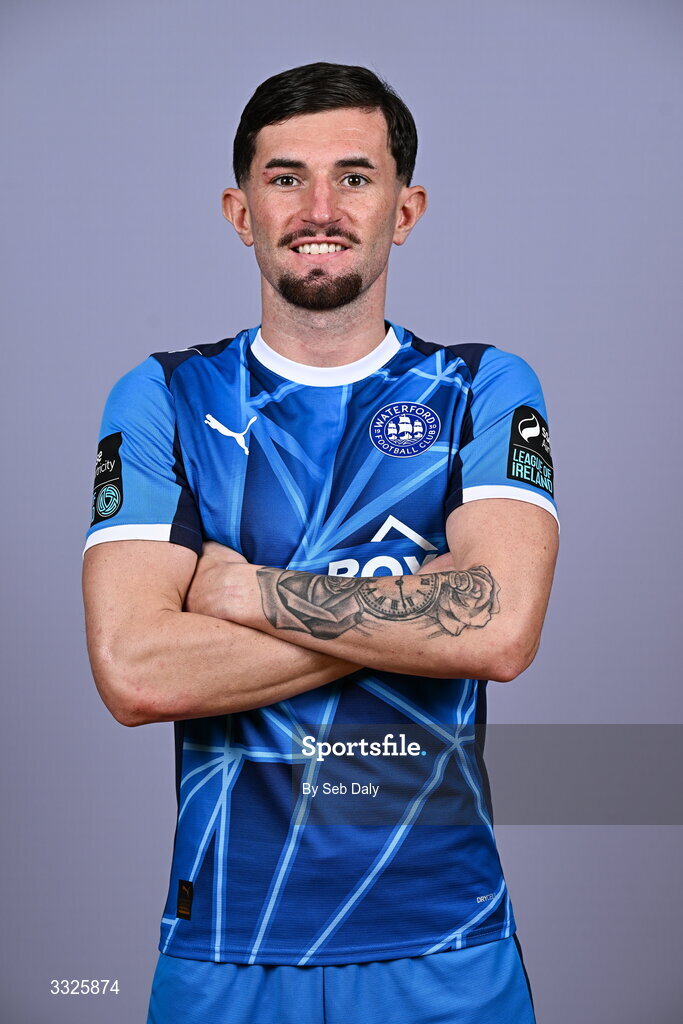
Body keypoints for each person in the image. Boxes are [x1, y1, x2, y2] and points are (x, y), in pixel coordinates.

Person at [82, 62, 558, 1024]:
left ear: (406, 207)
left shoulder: (484, 388)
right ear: (239, 210)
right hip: (226, 941)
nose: (319, 207)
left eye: (354, 175)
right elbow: (136, 670)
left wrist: (245, 592)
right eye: (284, 177)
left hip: (445, 940)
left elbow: (498, 630)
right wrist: (418, 608)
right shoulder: (164, 397)